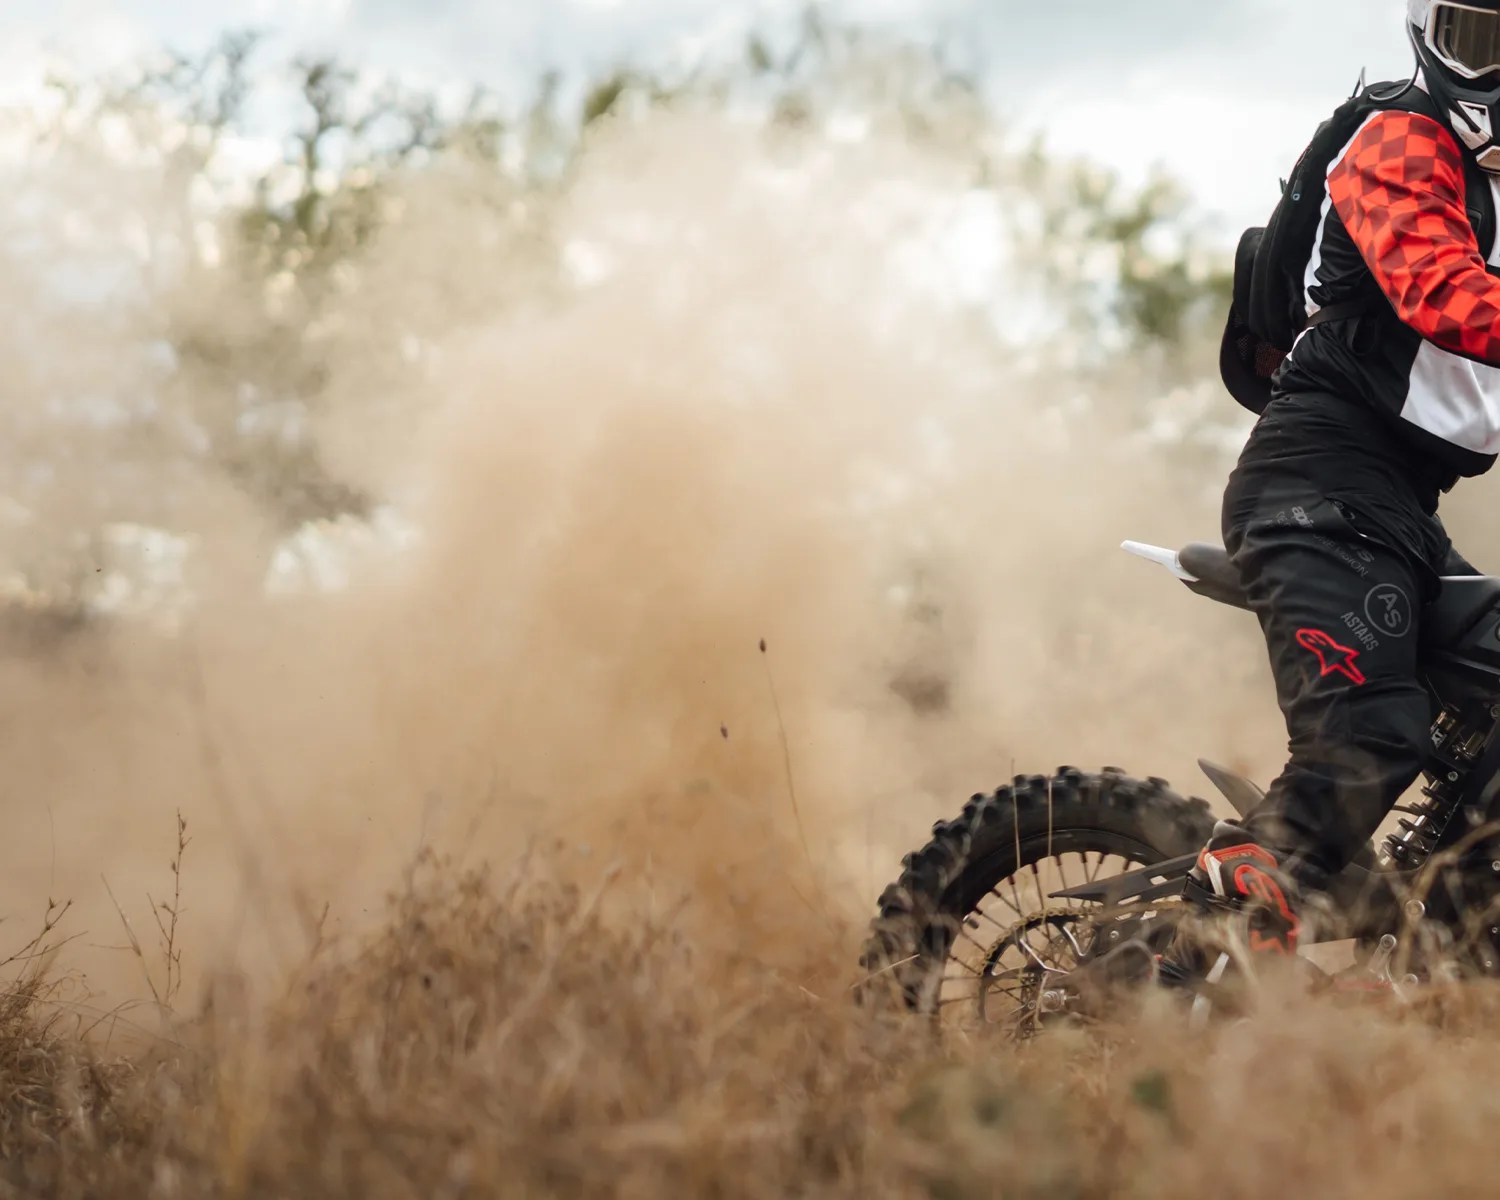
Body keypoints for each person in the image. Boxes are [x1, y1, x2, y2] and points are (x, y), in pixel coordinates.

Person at [1184, 0, 1500, 959]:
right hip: (1316, 489)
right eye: (1474, 36)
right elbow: (1440, 293)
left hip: (1396, 511)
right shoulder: (1398, 140)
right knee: (1371, 733)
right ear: (1427, 35)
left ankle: (1449, 945)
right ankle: (1173, 981)